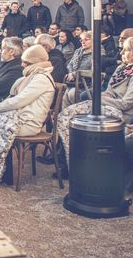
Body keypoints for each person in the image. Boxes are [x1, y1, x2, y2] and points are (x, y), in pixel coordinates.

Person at [0, 45, 55, 184]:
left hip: (27, 123)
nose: (22, 65)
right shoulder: (32, 76)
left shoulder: (41, 78)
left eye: (25, 62)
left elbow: (20, 100)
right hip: (18, 117)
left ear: (35, 63)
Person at [57, 36, 133, 170]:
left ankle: (70, 164)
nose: (121, 53)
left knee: (72, 117)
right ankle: (65, 161)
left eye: (126, 50)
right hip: (108, 106)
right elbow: (109, 91)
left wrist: (98, 99)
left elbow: (126, 104)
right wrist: (99, 98)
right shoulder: (122, 69)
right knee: (68, 116)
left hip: (121, 114)